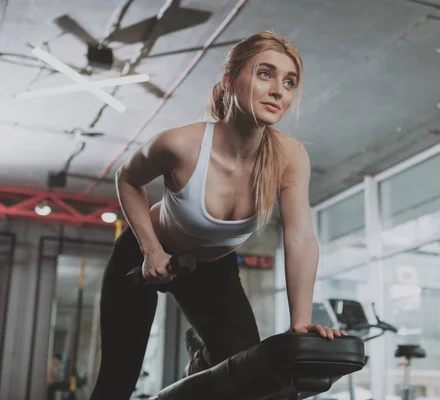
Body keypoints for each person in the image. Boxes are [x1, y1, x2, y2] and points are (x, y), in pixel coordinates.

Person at [90, 31, 344, 400]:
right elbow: (127, 178)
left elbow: (300, 237)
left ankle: (203, 356)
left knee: (244, 376)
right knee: (117, 381)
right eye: (265, 74)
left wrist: (300, 324)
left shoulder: (290, 157)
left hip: (213, 270)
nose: (279, 90)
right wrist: (150, 250)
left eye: (289, 82)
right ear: (229, 81)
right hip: (143, 253)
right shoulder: (180, 144)